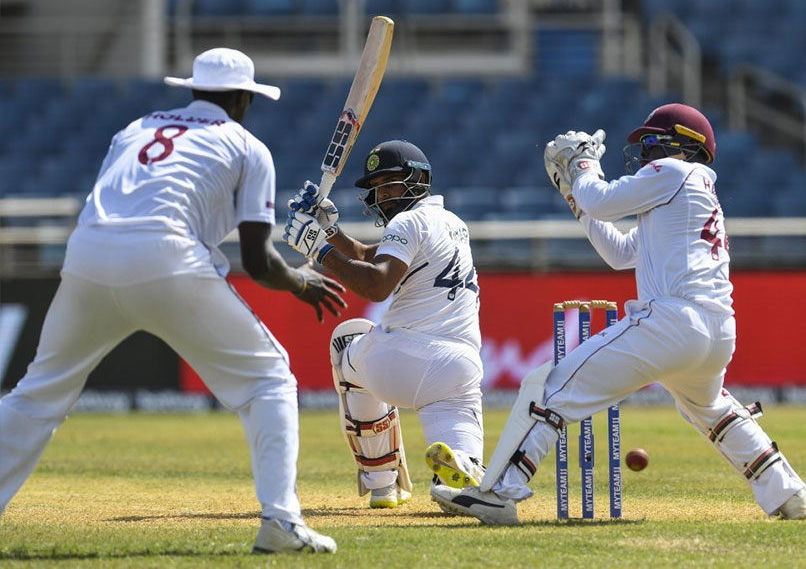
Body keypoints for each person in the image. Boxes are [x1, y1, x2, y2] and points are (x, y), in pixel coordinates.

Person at [0, 48, 347, 553]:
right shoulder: (248, 147)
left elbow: (141, 196)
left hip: (89, 253)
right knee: (269, 379)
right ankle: (281, 520)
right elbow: (257, 260)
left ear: (194, 90)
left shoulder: (134, 128)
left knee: (37, 394)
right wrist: (300, 281)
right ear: (240, 99)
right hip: (167, 258)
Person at [430, 103, 806, 524]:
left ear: (682, 145)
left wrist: (584, 164)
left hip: (672, 322)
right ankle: (789, 493)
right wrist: (576, 194)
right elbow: (617, 252)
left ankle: (499, 493)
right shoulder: (688, 193)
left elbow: (602, 199)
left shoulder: (676, 173)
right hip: (715, 331)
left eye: (650, 142)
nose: (644, 153)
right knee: (713, 410)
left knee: (551, 388)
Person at [283, 140, 485, 509]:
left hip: (402, 360)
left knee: (348, 340)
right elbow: (362, 255)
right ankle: (459, 474)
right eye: (376, 187)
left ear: (420, 179)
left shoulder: (408, 221)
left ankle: (382, 482)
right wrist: (329, 230)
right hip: (460, 367)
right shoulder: (453, 223)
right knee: (460, 468)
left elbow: (377, 285)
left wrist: (318, 250)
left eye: (391, 184)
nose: (382, 195)